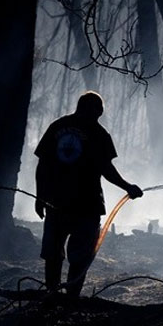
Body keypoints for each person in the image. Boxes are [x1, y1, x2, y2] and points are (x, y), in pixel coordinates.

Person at [34, 91, 143, 297]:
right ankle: (69, 298)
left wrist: (41, 196)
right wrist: (128, 187)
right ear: (97, 110)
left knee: (54, 254)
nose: (98, 114)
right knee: (80, 256)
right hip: (86, 205)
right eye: (98, 110)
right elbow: (106, 169)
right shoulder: (99, 133)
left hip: (57, 202)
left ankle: (53, 295)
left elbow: (42, 165)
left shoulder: (57, 127)